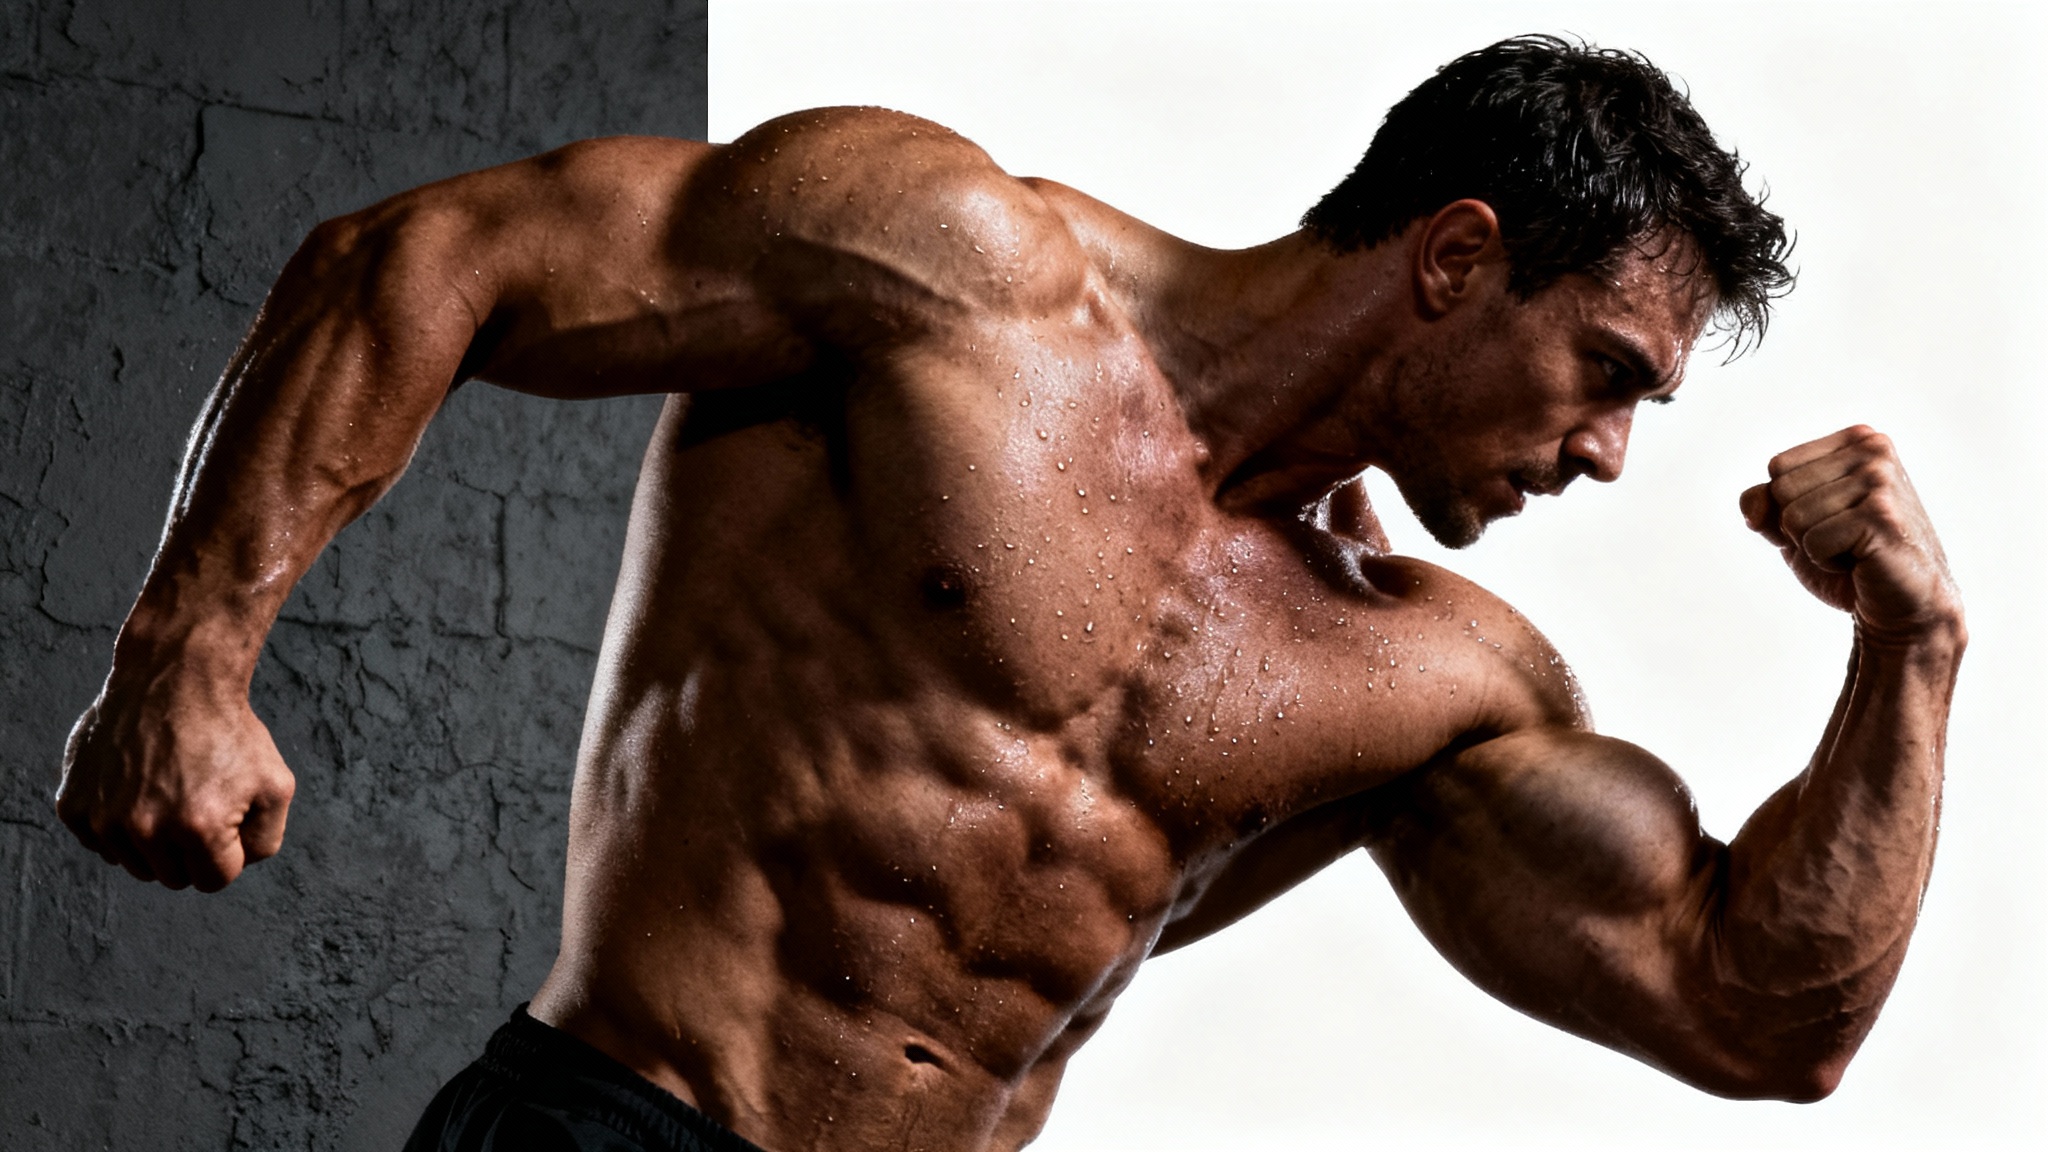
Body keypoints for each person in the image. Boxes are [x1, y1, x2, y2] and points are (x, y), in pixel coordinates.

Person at [55, 35, 1963, 1152]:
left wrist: (1910, 648)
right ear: (1460, 259)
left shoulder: (1434, 679)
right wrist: (191, 655)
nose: (1611, 454)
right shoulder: (953, 273)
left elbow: (1755, 1016)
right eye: (1610, 371)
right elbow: (429, 257)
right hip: (614, 1138)